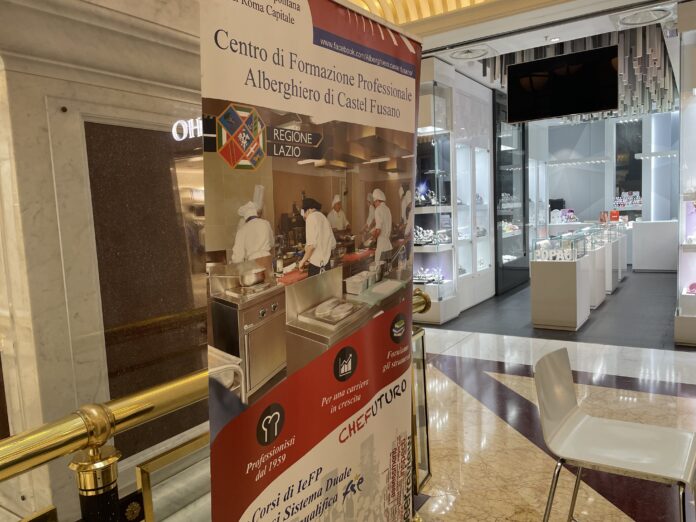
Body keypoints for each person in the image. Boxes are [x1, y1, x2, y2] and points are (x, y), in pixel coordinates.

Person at [298, 198, 336, 277]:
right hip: (326, 265)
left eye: (304, 215)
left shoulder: (311, 218)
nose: (304, 218)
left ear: (308, 210)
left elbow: (312, 246)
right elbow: (333, 244)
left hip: (316, 267)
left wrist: (302, 261)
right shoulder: (324, 217)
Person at [372, 188, 392, 263]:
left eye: (374, 202)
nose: (374, 204)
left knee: (379, 267)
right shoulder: (387, 209)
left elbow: (379, 230)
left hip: (381, 246)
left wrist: (374, 238)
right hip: (388, 246)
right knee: (387, 268)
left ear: (377, 200)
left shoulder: (378, 210)